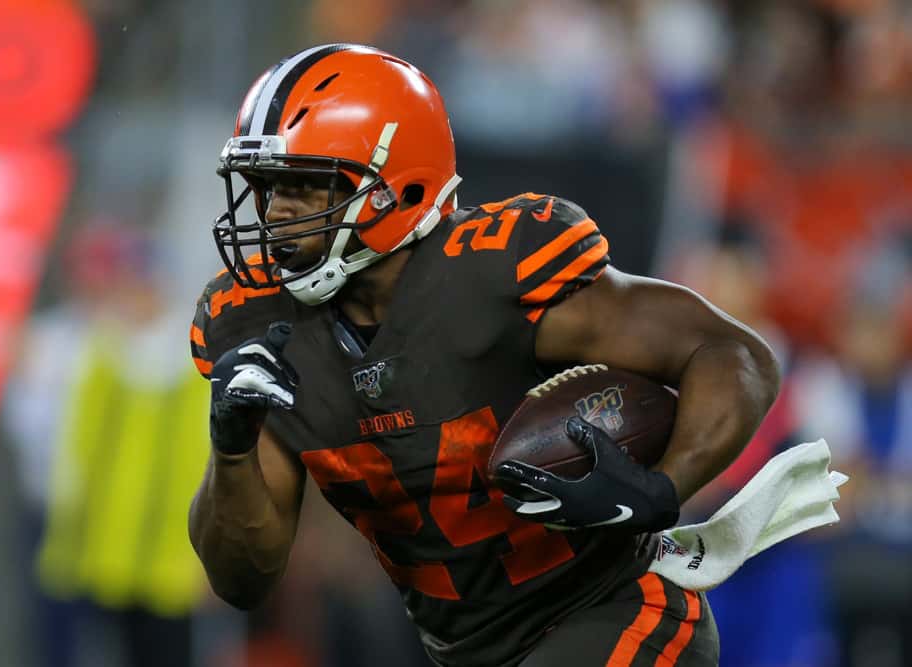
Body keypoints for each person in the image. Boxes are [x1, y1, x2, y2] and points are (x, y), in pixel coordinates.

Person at [188, 44, 780, 667]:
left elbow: (733, 353)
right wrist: (231, 448)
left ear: (397, 188)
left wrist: (667, 485)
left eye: (306, 186)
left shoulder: (493, 276)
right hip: (468, 652)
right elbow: (241, 581)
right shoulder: (262, 328)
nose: (276, 213)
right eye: (269, 186)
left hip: (613, 611)